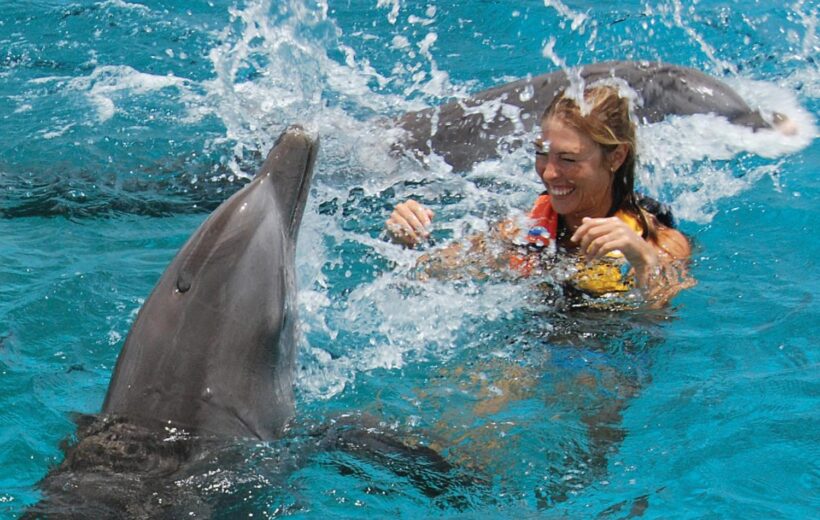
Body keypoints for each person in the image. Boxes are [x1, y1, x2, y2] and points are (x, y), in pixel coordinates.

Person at [385, 84, 693, 304]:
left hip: (611, 355)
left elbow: (659, 312)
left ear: (615, 158)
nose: (548, 173)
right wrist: (405, 239)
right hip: (535, 343)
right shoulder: (521, 232)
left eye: (568, 159)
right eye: (542, 153)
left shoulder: (658, 238)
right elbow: (429, 273)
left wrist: (639, 257)